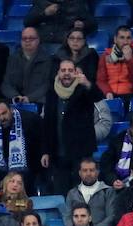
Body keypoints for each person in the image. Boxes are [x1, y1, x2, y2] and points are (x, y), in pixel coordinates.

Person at [41, 59, 103, 195]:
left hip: (80, 152)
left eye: (70, 70)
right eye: (63, 70)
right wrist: (45, 151)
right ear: (58, 73)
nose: (67, 73)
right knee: (61, 191)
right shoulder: (52, 92)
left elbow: (99, 96)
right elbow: (47, 123)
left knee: (80, 192)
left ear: (76, 72)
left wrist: (87, 83)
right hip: (57, 152)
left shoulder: (83, 90)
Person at [0, 99, 43, 193]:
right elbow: (3, 154)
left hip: (36, 165)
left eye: (4, 113)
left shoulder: (31, 119)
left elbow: (41, 143)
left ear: (11, 109)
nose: (2, 118)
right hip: (11, 168)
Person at [1, 27, 52, 107]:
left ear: (38, 40)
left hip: (39, 102)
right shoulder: (12, 59)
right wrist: (15, 97)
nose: (27, 41)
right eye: (24, 38)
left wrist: (30, 98)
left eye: (31, 38)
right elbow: (6, 84)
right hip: (16, 102)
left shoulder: (47, 59)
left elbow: (47, 85)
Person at [64, 158, 117, 226]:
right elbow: (67, 217)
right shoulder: (72, 193)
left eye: (91, 170)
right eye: (85, 170)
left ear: (97, 172)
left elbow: (111, 216)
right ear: (80, 173)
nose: (88, 173)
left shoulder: (108, 191)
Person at [96, 26, 133, 102]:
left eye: (128, 38)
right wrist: (107, 91)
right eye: (122, 38)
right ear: (115, 39)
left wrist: (130, 60)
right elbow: (101, 80)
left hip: (130, 96)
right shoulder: (105, 56)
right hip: (109, 94)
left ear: (132, 40)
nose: (125, 42)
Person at [25, 1, 96, 46]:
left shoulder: (77, 3)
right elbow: (27, 22)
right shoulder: (41, 2)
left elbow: (93, 24)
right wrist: (44, 13)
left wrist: (83, 24)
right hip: (43, 45)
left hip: (67, 46)